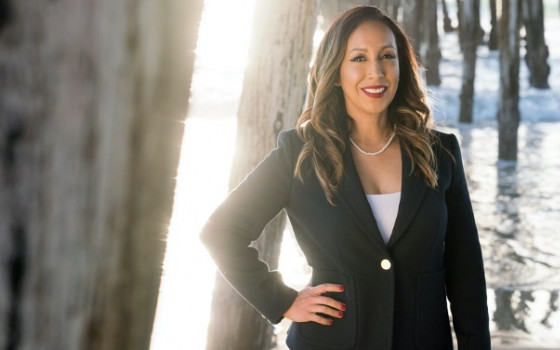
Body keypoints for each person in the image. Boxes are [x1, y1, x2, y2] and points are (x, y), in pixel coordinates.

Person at [201, 5, 491, 350]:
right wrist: (283, 300)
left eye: (387, 56)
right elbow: (221, 232)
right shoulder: (300, 153)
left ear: (402, 66)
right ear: (336, 70)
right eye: (358, 58)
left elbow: (466, 271)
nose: (376, 71)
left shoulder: (440, 153)